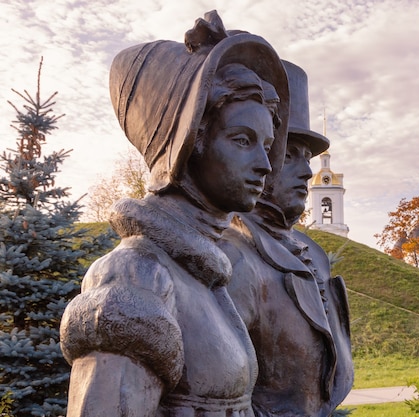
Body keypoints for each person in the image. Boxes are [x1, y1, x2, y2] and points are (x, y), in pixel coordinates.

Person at [59, 11, 289, 417]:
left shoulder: (202, 273)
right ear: (190, 144)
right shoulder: (138, 274)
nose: (265, 165)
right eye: (242, 140)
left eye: (266, 145)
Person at [220, 61, 353, 417]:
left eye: (307, 157)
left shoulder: (314, 253)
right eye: (290, 154)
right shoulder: (229, 256)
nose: (307, 171)